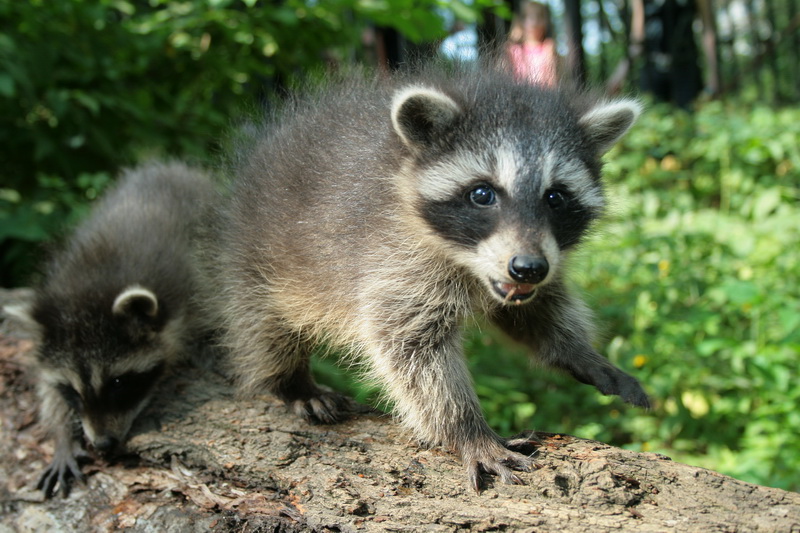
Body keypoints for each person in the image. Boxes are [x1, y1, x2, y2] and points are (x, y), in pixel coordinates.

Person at [505, 1, 558, 86]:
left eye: (539, 18)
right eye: (529, 17)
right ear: (521, 21)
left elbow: (552, 81)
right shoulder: (513, 50)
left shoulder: (547, 49)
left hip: (543, 95)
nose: (534, 23)